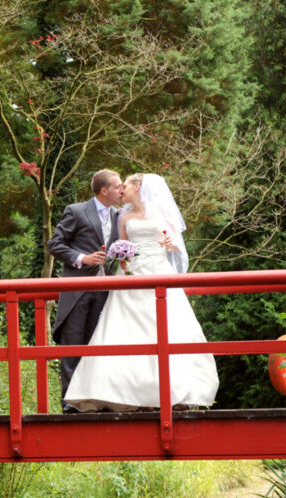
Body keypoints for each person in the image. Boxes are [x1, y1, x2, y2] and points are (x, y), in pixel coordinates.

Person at [62, 173, 219, 412]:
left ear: (138, 187)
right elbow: (119, 245)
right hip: (132, 274)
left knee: (167, 329)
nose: (122, 189)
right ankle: (134, 395)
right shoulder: (123, 216)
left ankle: (173, 392)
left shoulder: (161, 211)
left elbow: (176, 242)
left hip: (159, 271)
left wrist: (171, 245)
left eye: (125, 185)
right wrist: (122, 259)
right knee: (127, 331)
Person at [46, 169, 124, 411]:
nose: (122, 190)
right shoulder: (76, 211)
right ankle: (70, 404)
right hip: (77, 289)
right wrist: (83, 258)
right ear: (104, 190)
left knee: (98, 346)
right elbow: (55, 244)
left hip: (106, 291)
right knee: (73, 345)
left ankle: (95, 401)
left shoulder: (119, 216)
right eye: (118, 186)